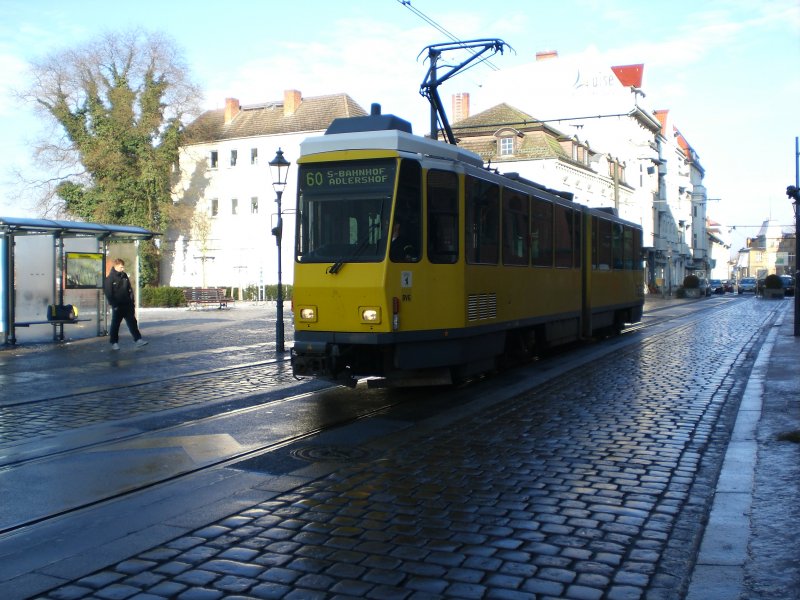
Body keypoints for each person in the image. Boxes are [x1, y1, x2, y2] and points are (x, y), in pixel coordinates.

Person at [103, 258, 148, 350]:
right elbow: (108, 293)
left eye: (123, 267)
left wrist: (132, 301)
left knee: (132, 322)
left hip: (127, 304)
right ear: (116, 266)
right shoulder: (110, 278)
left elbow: (129, 289)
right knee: (116, 324)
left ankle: (138, 340)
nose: (122, 269)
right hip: (118, 306)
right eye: (121, 267)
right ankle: (114, 342)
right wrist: (114, 305)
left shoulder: (124, 276)